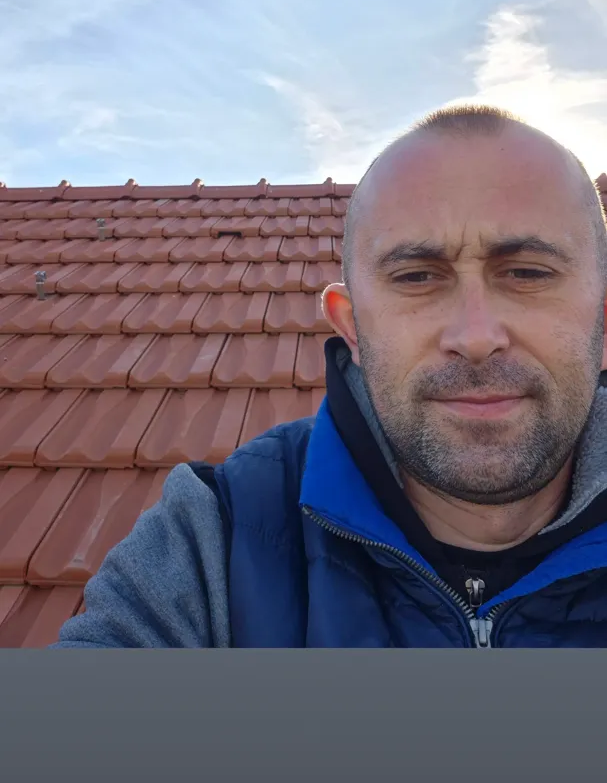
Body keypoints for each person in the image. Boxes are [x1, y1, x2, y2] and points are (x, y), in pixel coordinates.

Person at [52, 104, 607, 649]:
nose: (476, 335)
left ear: (603, 317)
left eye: (528, 273)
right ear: (352, 328)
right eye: (416, 277)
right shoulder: (215, 539)